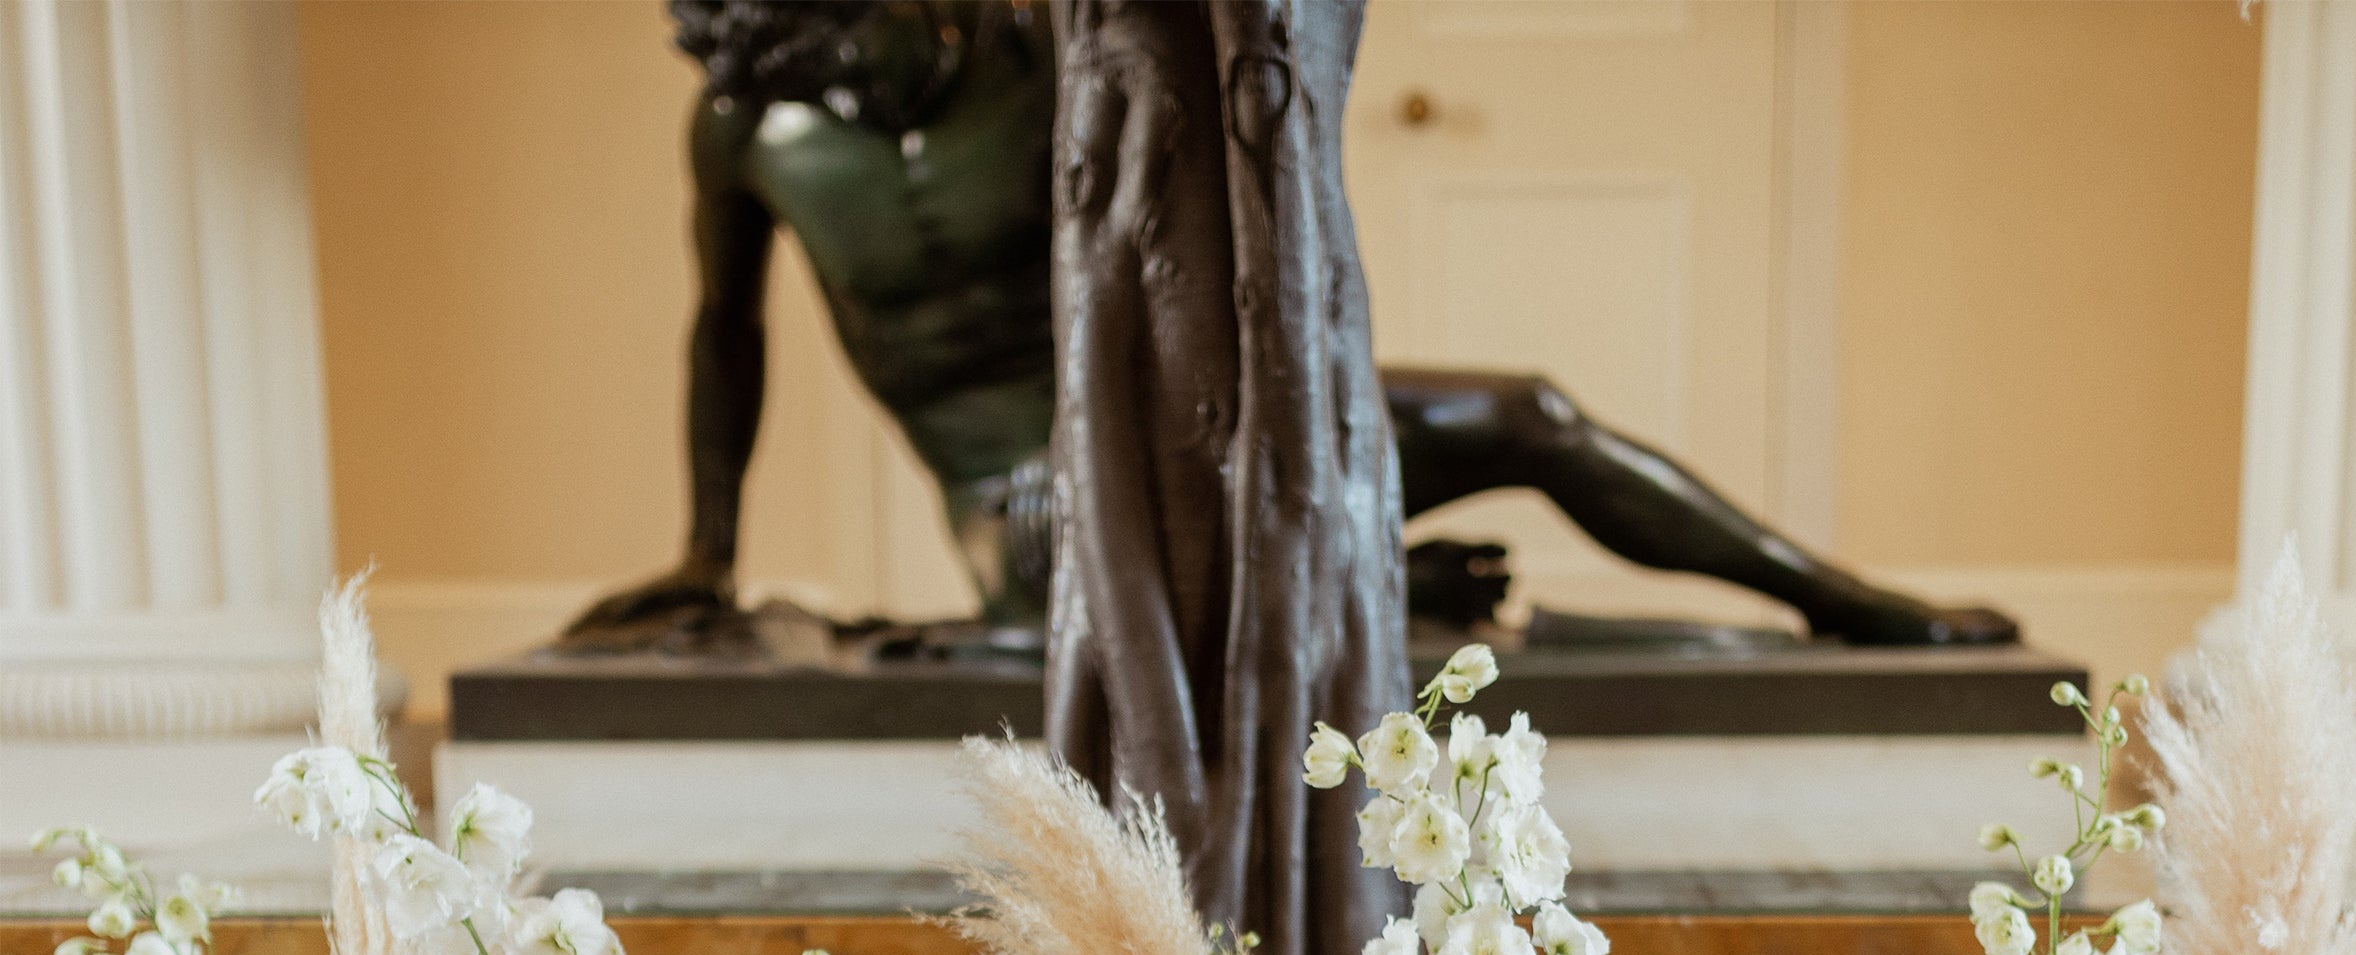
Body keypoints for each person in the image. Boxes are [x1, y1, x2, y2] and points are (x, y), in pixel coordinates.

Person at [571, 0, 2016, 651]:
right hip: (1025, 511)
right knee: (1158, 541)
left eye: (860, 36)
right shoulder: (744, 131)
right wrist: (709, 550)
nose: (847, 76)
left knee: (1525, 414)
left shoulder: (1037, 42)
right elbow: (725, 337)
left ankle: (1842, 603)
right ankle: (1356, 577)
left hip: (1184, 416)